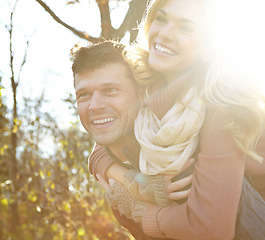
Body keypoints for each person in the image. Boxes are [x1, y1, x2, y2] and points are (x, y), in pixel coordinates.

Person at [89, 0, 265, 239]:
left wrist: (141, 210)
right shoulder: (143, 87)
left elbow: (210, 229)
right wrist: (132, 181)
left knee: (183, 177)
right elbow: (104, 138)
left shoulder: (221, 107)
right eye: (161, 19)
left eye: (186, 28)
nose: (165, 34)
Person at [72, 40, 192, 239]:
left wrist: (141, 207)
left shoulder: (178, 142)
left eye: (110, 90)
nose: (94, 105)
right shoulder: (117, 187)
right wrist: (135, 195)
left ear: (141, 94)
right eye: (84, 95)